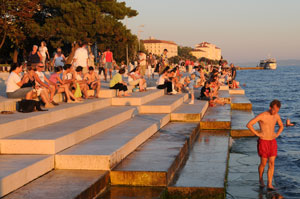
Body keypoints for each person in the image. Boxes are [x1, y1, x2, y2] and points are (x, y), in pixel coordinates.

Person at [247, 100, 284, 191]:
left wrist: (277, 134)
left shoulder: (276, 116)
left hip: (272, 142)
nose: (275, 112)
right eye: (274, 110)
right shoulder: (262, 115)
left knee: (272, 163)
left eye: (277, 110)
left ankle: (270, 184)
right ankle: (260, 179)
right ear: (270, 107)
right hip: (263, 142)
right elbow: (249, 124)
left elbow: (281, 126)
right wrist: (257, 134)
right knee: (263, 163)